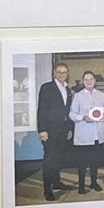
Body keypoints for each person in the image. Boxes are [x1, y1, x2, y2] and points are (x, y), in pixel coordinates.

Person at [35, 62, 73, 201]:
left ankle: (56, 183)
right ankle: (47, 190)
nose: (62, 74)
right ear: (54, 73)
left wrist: (69, 128)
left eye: (64, 72)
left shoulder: (67, 89)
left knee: (58, 158)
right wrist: (42, 130)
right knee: (49, 160)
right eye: (59, 72)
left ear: (67, 74)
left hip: (63, 131)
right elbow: (42, 109)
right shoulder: (47, 87)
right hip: (50, 131)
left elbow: (67, 111)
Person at [68, 70, 104, 194]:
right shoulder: (78, 96)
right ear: (83, 81)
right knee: (82, 162)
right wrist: (83, 117)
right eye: (86, 79)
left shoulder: (101, 95)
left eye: (91, 79)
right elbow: (72, 114)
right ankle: (81, 185)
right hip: (83, 135)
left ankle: (93, 182)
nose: (89, 81)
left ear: (95, 81)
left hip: (97, 135)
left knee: (95, 161)